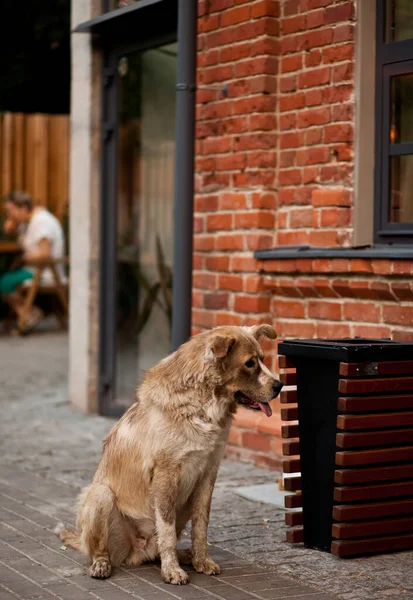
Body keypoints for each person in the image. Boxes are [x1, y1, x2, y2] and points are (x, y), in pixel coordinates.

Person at [0, 191, 66, 334]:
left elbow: (44, 253)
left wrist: (23, 258)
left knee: (4, 281)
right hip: (36, 270)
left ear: (23, 208)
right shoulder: (29, 221)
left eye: (11, 211)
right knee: (6, 278)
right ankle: (27, 312)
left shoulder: (41, 222)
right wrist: (13, 230)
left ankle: (28, 313)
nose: (10, 216)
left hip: (45, 272)